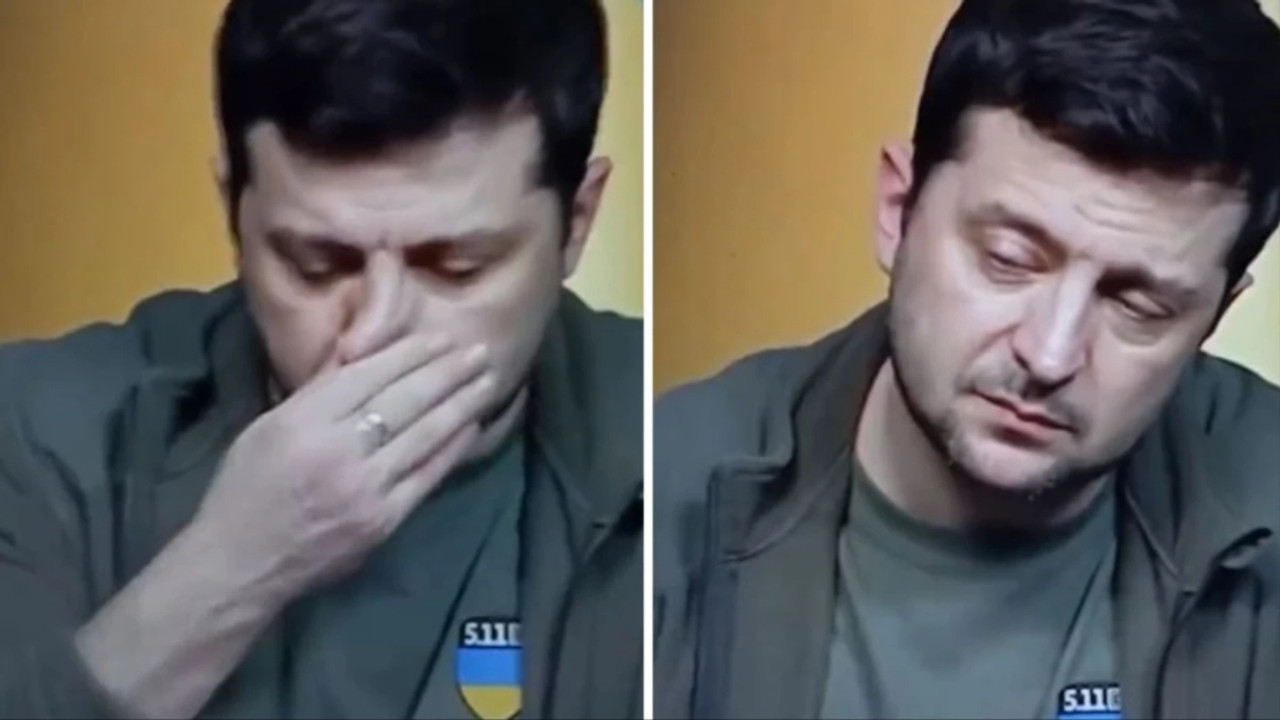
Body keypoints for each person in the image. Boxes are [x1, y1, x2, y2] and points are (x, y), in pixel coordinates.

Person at [0, 0, 641, 718]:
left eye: (458, 268)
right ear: (234, 211)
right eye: (316, 264)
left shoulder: (680, 454)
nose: (373, 333)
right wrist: (230, 568)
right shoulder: (35, 431)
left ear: (576, 222)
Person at [654, 0, 1280, 718]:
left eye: (1138, 307)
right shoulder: (660, 506)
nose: (1049, 354)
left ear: (1215, 318)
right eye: (1008, 260)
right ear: (898, 210)